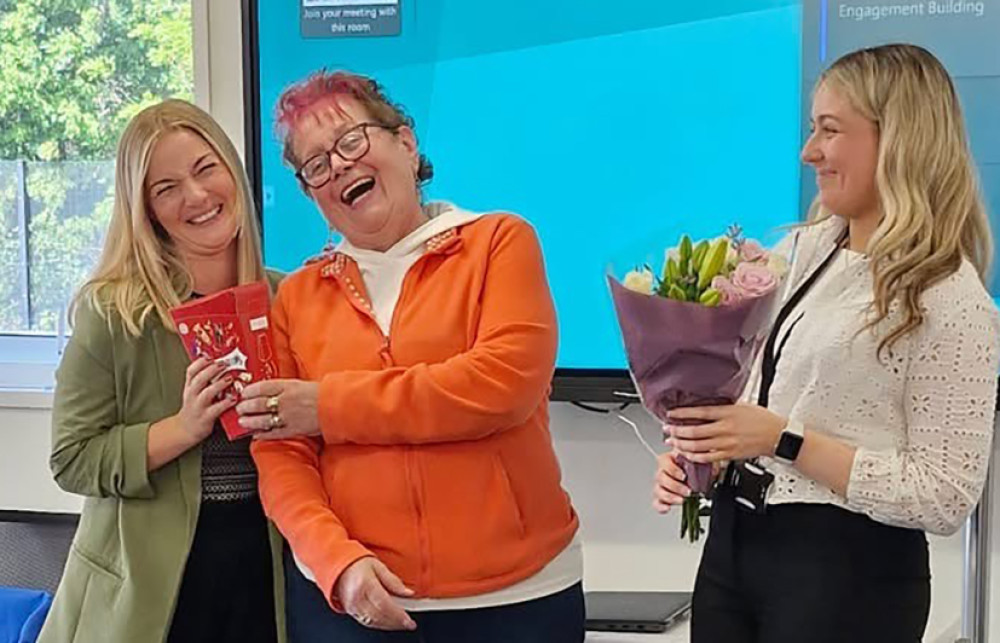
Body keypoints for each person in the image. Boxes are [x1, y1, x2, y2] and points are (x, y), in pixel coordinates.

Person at [653, 43, 1000, 643]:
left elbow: (943, 496)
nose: (808, 151)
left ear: (898, 140)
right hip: (736, 543)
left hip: (847, 574)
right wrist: (701, 453)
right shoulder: (803, 252)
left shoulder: (950, 296)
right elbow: (753, 396)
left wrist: (784, 441)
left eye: (830, 131)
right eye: (812, 128)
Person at [234, 70, 584, 642]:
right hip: (349, 606)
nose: (339, 165)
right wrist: (335, 563)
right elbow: (281, 451)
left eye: (351, 140)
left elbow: (501, 386)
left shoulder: (499, 242)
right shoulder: (296, 297)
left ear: (405, 143)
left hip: (521, 598)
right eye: (316, 165)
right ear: (310, 193)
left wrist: (327, 406)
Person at [39, 100, 285, 643]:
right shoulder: (114, 312)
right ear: (144, 210)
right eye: (166, 187)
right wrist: (181, 429)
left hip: (267, 579)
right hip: (146, 599)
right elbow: (71, 458)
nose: (196, 196)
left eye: (205, 169)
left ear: (232, 171)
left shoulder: (289, 298)